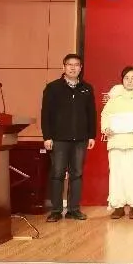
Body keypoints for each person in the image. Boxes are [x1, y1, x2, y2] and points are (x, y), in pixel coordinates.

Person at [41, 53, 96, 222]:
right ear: (63, 67)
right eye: (69, 64)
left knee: (77, 174)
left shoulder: (87, 88)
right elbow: (46, 114)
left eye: (76, 65)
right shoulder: (53, 88)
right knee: (57, 173)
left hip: (80, 139)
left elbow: (91, 114)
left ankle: (74, 209)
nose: (73, 68)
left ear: (80, 68)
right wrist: (47, 136)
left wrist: (91, 136)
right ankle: (56, 210)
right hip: (59, 139)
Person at [100, 66, 133, 219]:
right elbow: (105, 115)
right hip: (116, 141)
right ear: (122, 80)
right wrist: (106, 128)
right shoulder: (114, 98)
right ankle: (118, 206)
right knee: (117, 174)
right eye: (126, 78)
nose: (129, 81)